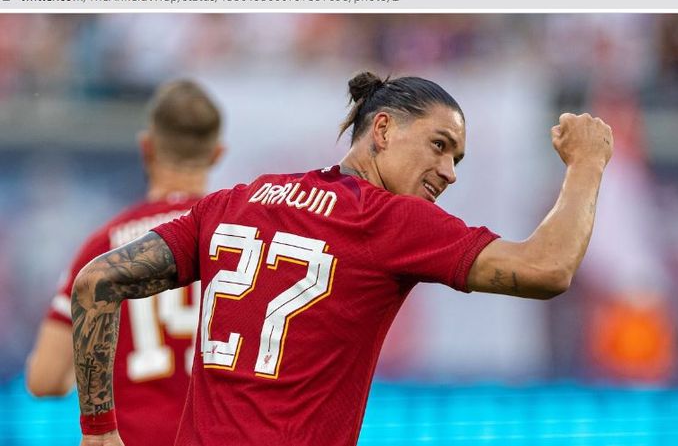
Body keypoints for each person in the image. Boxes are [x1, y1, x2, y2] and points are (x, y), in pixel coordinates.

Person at [71, 71, 613, 446]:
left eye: (459, 157)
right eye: (440, 145)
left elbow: (96, 282)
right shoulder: (388, 221)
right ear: (382, 130)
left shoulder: (236, 202)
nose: (450, 172)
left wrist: (99, 432)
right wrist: (586, 164)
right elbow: (548, 267)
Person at [26, 79, 223, 446]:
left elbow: (45, 379)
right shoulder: (238, 239)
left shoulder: (104, 246)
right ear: (217, 153)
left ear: (146, 147)